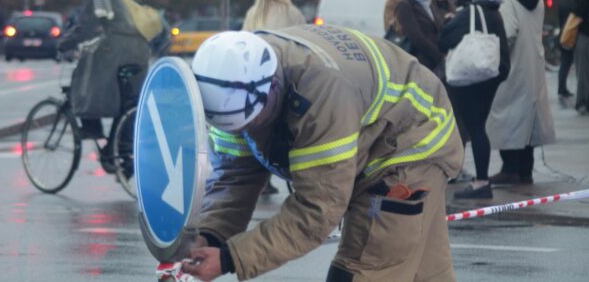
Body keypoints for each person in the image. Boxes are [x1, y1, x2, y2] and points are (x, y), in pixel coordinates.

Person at [183, 25, 464, 281]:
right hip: (375, 132)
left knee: (362, 268)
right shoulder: (228, 82)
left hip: (411, 141)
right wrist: (209, 237)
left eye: (252, 121)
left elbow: (317, 208)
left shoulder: (321, 96)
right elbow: (235, 177)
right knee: (427, 275)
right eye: (236, 127)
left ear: (273, 87)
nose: (246, 130)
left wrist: (231, 258)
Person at [58, 0, 150, 163]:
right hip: (139, 50)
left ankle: (92, 128)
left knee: (82, 78)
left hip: (116, 48)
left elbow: (89, 23)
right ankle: (119, 149)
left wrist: (65, 43)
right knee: (129, 102)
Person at [439, 0, 510, 199]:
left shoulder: (471, 12)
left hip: (471, 79)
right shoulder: (495, 11)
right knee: (480, 127)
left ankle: (481, 182)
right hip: (491, 76)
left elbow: (444, 39)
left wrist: (451, 21)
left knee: (475, 129)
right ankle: (482, 180)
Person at [486, 0, 556, 185]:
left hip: (514, 66)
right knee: (530, 120)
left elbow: (507, 32)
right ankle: (526, 170)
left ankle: (510, 168)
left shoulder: (508, 1)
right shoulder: (538, 0)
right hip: (534, 65)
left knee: (507, 116)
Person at [242, 0, 306, 195]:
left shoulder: (253, 13)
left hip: (257, 80)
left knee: (259, 128)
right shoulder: (292, 14)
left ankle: (260, 178)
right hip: (284, 79)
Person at [395, 0, 446, 77]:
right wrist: (439, 56)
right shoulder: (405, 4)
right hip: (419, 64)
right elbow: (416, 38)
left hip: (434, 63)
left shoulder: (430, 0)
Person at [557, 0, 580, 99]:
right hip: (572, 35)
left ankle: (561, 87)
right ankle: (563, 88)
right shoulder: (575, 0)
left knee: (564, 63)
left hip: (563, 34)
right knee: (569, 63)